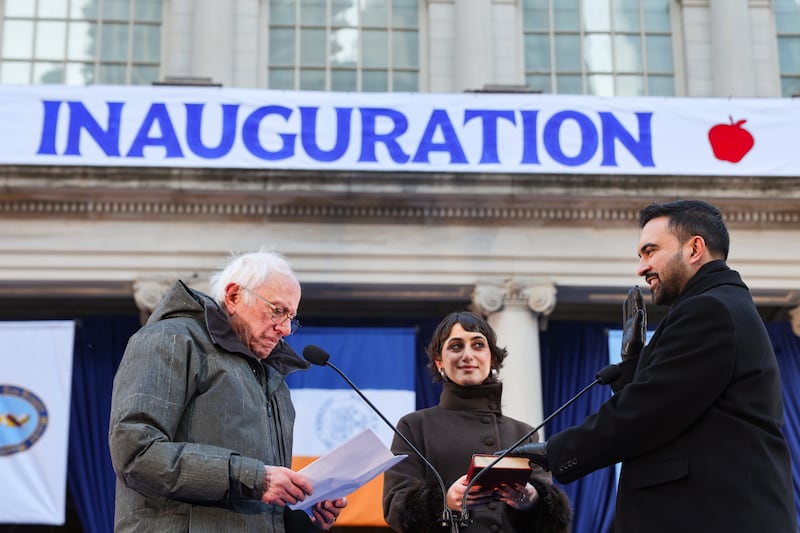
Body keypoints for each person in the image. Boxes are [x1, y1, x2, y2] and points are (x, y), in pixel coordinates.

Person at [509, 200, 797, 532]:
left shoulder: (710, 310)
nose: (641, 267)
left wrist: (551, 451)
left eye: (651, 251)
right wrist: (635, 365)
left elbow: (648, 411)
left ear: (694, 249)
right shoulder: (720, 305)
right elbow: (675, 406)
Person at [108, 250, 347, 532]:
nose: (284, 328)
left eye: (291, 318)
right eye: (277, 310)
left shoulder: (273, 378)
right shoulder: (170, 339)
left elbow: (255, 500)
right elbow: (136, 454)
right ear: (234, 296)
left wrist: (303, 507)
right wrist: (257, 479)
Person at [382, 311, 572, 533]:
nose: (467, 355)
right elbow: (395, 506)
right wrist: (444, 501)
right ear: (439, 362)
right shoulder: (413, 426)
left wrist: (533, 500)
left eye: (478, 345)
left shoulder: (524, 432)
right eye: (456, 346)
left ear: (492, 357)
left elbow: (553, 523)